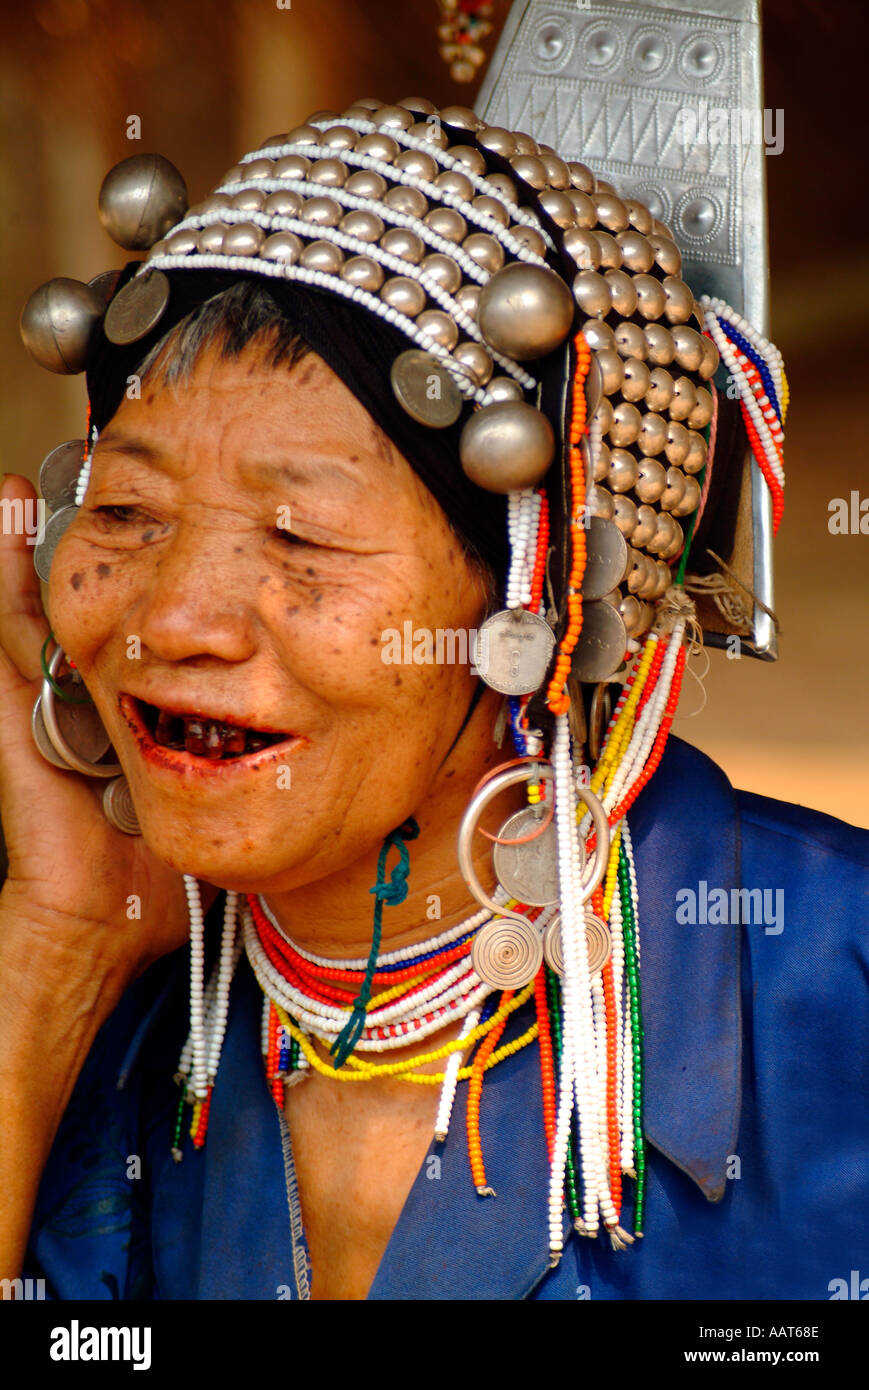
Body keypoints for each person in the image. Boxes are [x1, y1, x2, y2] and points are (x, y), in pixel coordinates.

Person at [2, 97, 867, 1302]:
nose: (170, 621)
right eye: (128, 515)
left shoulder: (836, 984)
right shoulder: (108, 1027)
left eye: (298, 536)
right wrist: (60, 948)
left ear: (541, 598)